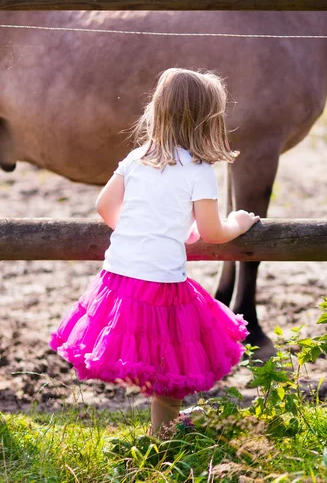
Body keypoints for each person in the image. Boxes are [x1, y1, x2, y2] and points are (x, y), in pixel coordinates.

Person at [50, 68, 259, 434]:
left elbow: (104, 205)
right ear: (206, 120)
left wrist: (141, 230)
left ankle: (159, 435)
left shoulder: (137, 157)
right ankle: (162, 436)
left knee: (148, 352)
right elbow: (212, 231)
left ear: (158, 111)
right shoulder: (199, 169)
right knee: (173, 364)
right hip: (162, 284)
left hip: (117, 278)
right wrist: (239, 224)